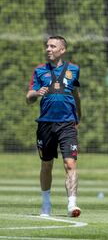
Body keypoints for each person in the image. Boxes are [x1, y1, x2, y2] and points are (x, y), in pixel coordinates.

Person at [26, 36, 82, 217]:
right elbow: (29, 98)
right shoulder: (39, 71)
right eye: (47, 46)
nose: (48, 49)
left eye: (53, 46)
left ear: (62, 50)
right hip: (45, 124)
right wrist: (36, 92)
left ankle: (72, 204)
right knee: (47, 164)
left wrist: (78, 115)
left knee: (70, 163)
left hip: (67, 124)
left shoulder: (73, 69)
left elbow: (75, 93)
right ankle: (46, 203)